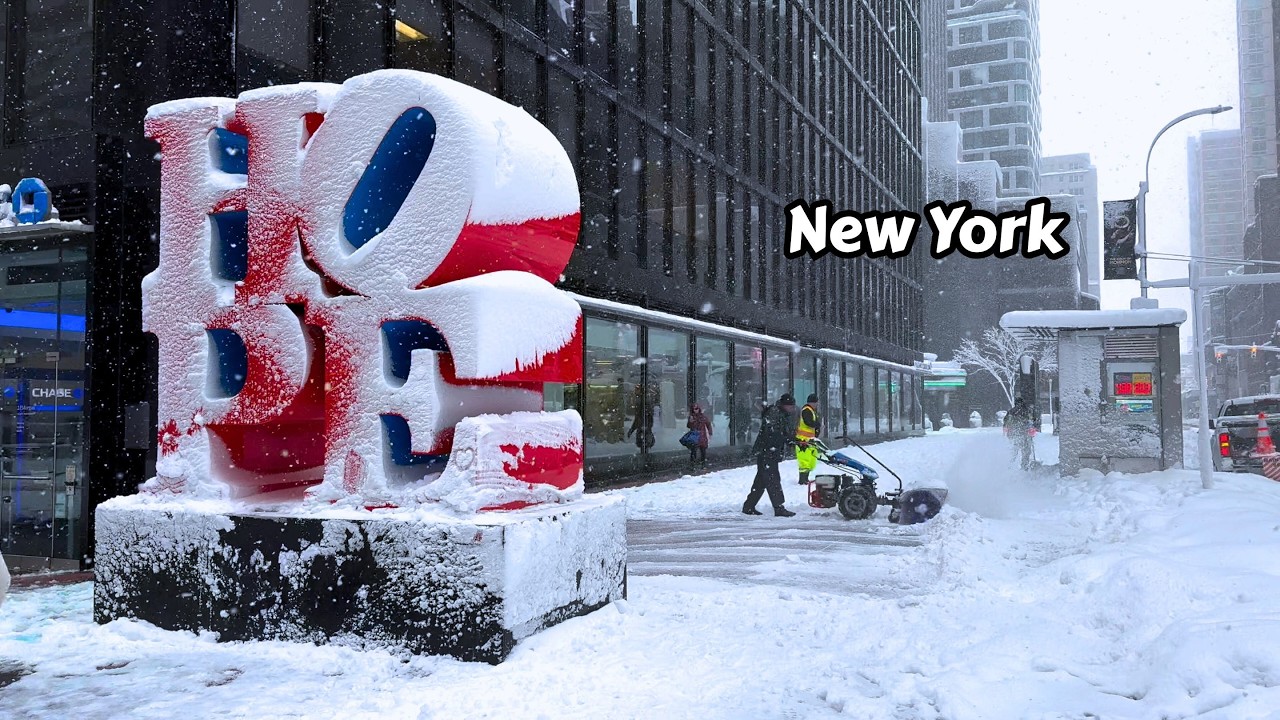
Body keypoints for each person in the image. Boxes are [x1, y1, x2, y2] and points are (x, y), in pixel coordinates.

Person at [743, 393, 797, 517]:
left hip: (769, 451)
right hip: (767, 451)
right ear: (785, 405)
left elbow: (781, 432)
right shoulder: (774, 413)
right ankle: (778, 508)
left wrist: (790, 440)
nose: (792, 409)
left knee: (761, 481)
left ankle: (749, 506)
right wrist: (787, 440)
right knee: (773, 479)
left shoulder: (780, 413)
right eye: (791, 406)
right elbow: (773, 433)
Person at [794, 393, 822, 485]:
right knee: (804, 462)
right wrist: (817, 425)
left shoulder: (812, 411)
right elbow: (808, 422)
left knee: (810, 461)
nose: (817, 404)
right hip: (803, 440)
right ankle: (802, 480)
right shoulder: (807, 410)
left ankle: (805, 478)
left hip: (809, 440)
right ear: (813, 403)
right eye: (816, 402)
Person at [1002, 398, 1037, 470]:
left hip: (1013, 435)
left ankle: (1009, 466)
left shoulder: (1011, 411)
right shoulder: (1026, 411)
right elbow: (1031, 421)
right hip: (1025, 434)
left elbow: (1005, 423)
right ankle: (1024, 466)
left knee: (1014, 451)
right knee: (1026, 451)